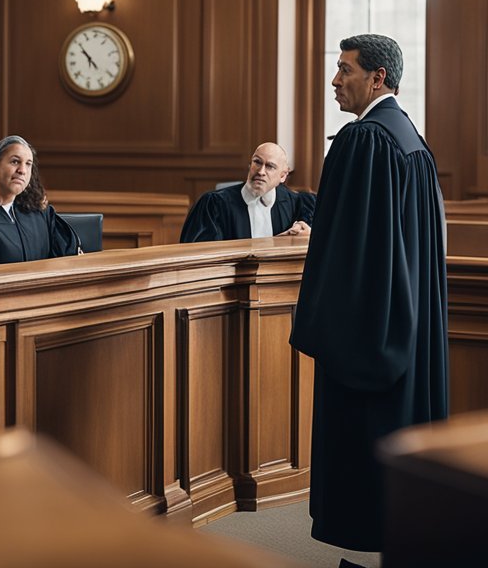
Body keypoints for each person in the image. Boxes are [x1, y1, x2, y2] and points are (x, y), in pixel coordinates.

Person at [289, 34, 448, 562]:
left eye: (344, 70)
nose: (335, 80)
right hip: (409, 327)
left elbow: (351, 250)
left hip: (369, 335)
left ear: (377, 77)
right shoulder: (411, 142)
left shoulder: (365, 140)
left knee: (365, 456)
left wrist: (322, 325)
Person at [0, 135, 81, 268]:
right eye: (15, 162)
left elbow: (69, 258)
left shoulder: (40, 211)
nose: (22, 170)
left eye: (28, 164)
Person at [179, 142, 315, 243]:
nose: (261, 172)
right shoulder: (214, 204)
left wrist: (306, 230)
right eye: (257, 162)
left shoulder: (297, 203)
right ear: (250, 165)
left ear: (283, 176)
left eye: (270, 166)